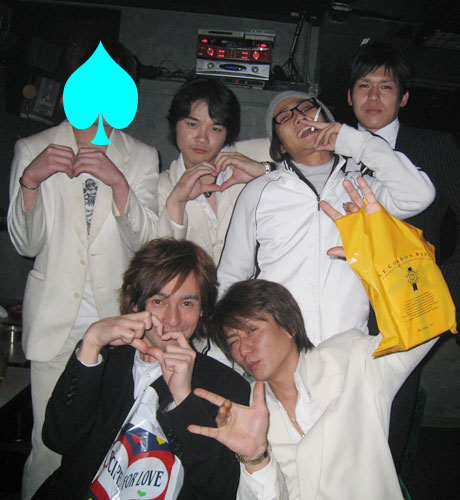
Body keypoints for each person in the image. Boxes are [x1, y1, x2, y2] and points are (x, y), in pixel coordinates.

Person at [189, 178, 438, 500]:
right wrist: (255, 457)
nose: (243, 349)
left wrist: (385, 251)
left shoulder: (350, 360)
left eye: (251, 330)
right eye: (233, 341)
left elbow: (424, 327)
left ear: (289, 326)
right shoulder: (248, 411)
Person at [7, 42, 159, 498]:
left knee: (107, 447)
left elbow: (147, 244)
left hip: (118, 325)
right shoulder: (32, 148)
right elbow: (25, 243)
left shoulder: (141, 156)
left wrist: (119, 184)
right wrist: (30, 183)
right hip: (55, 324)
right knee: (48, 447)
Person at [33, 238, 250, 500]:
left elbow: (218, 489)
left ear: (202, 310)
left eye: (187, 304)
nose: (173, 319)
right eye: (159, 301)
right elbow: (57, 439)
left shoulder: (226, 386)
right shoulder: (105, 361)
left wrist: (183, 399)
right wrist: (90, 344)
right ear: (136, 304)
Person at [217, 90, 435, 347]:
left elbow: (418, 196)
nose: (298, 118)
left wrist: (355, 143)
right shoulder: (259, 192)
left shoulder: (361, 186)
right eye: (284, 117)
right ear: (281, 145)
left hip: (349, 347)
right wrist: (227, 349)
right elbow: (231, 276)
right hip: (279, 349)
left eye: (306, 108)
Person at [347, 39, 460, 472]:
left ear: (404, 97)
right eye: (364, 85)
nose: (373, 97)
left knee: (391, 409)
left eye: (386, 87)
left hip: (407, 305)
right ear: (350, 96)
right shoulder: (334, 147)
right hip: (341, 300)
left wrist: (447, 286)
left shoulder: (434, 146)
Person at [157, 76, 272, 265]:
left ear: (228, 133)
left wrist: (265, 170)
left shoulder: (256, 153)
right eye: (192, 125)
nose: (202, 138)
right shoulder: (160, 186)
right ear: (174, 125)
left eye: (215, 129)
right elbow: (160, 264)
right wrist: (176, 202)